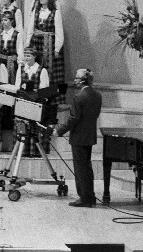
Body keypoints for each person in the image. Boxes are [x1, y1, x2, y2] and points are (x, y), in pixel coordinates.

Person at [53, 68, 102, 208]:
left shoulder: (79, 97)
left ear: (83, 80)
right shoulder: (97, 95)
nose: (74, 80)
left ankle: (84, 198)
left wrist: (59, 131)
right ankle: (89, 196)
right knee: (87, 167)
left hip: (79, 137)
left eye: (76, 78)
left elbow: (73, 119)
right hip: (89, 135)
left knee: (81, 168)